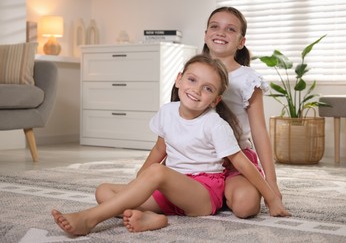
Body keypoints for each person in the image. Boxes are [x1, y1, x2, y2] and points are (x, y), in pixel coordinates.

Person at [51, 55, 289, 236]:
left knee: (156, 173)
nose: (196, 90)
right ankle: (154, 219)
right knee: (103, 190)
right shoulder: (167, 112)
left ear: (215, 99)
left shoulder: (215, 125)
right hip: (170, 187)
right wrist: (139, 183)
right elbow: (158, 150)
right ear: (178, 79)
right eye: (192, 80)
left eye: (207, 88)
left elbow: (242, 163)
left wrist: (271, 196)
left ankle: (89, 219)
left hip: (201, 193)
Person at [203, 6, 284, 218]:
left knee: (246, 206)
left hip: (235, 161)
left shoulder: (248, 79)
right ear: (205, 35)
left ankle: (220, 192)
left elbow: (259, 132)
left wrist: (271, 184)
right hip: (196, 158)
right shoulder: (192, 73)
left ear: (241, 42)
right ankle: (211, 193)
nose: (220, 32)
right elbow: (176, 120)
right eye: (215, 26)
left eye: (230, 29)